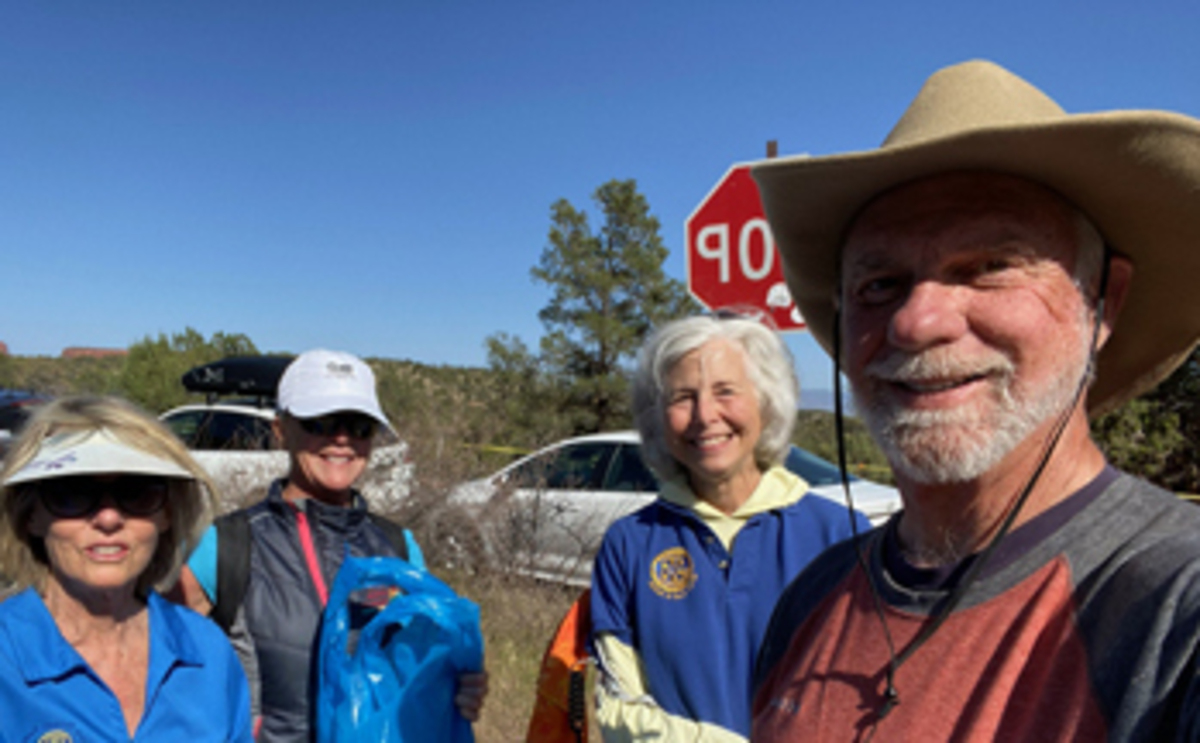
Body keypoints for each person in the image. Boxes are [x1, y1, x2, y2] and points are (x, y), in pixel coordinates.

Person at [749, 59, 1200, 741]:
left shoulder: (1173, 612)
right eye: (880, 284)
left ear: (1103, 302)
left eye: (989, 265)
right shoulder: (811, 599)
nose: (916, 321)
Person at [171, 348, 487, 742]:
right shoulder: (229, 544)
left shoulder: (399, 548)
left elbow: (421, 668)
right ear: (281, 429)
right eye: (319, 421)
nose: (341, 439)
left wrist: (460, 688)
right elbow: (161, 663)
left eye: (359, 426)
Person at [589, 315, 871, 742]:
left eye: (725, 391)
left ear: (766, 401)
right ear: (657, 417)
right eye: (683, 397)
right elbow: (616, 709)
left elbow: (870, 693)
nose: (705, 416)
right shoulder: (629, 543)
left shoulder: (842, 534)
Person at [0, 396, 251, 742]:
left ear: (166, 514)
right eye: (72, 493)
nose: (108, 518)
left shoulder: (207, 652)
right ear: (31, 516)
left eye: (137, 492)